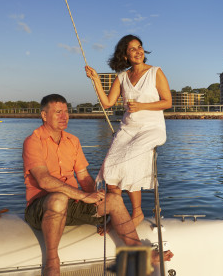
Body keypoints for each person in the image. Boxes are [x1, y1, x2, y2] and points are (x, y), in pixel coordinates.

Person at [23, 94, 172, 276]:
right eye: (58, 112)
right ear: (44, 116)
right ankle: (52, 261)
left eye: (66, 112)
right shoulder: (33, 141)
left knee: (115, 200)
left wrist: (96, 198)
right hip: (40, 209)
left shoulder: (73, 141)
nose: (64, 116)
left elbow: (84, 176)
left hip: (71, 204)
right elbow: (44, 180)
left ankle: (138, 251)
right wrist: (84, 196)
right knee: (58, 198)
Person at [85, 34, 172, 226]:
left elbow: (168, 102)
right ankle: (119, 215)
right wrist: (96, 80)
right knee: (110, 168)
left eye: (140, 47)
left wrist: (141, 106)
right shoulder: (122, 77)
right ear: (125, 55)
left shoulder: (155, 72)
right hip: (128, 129)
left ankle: (138, 213)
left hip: (151, 128)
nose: (138, 51)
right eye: (132, 49)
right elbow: (107, 103)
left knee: (128, 162)